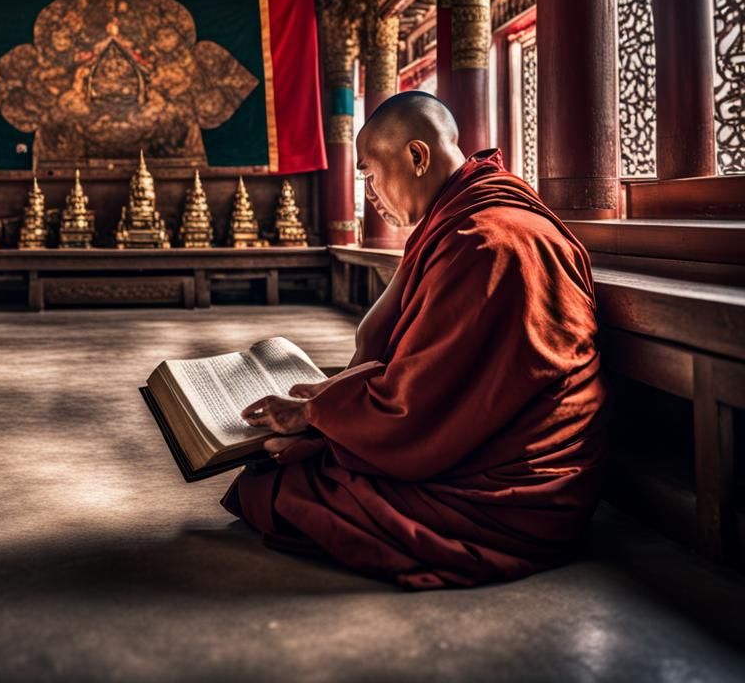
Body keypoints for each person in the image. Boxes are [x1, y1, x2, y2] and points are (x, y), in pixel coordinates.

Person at [225, 91, 609, 589]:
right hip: (471, 435)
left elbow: (420, 403)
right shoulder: (456, 220)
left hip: (515, 486)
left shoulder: (488, 242)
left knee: (281, 488)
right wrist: (326, 402)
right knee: (287, 460)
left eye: (368, 174)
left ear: (417, 156)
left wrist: (316, 415)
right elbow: (413, 357)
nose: (369, 194)